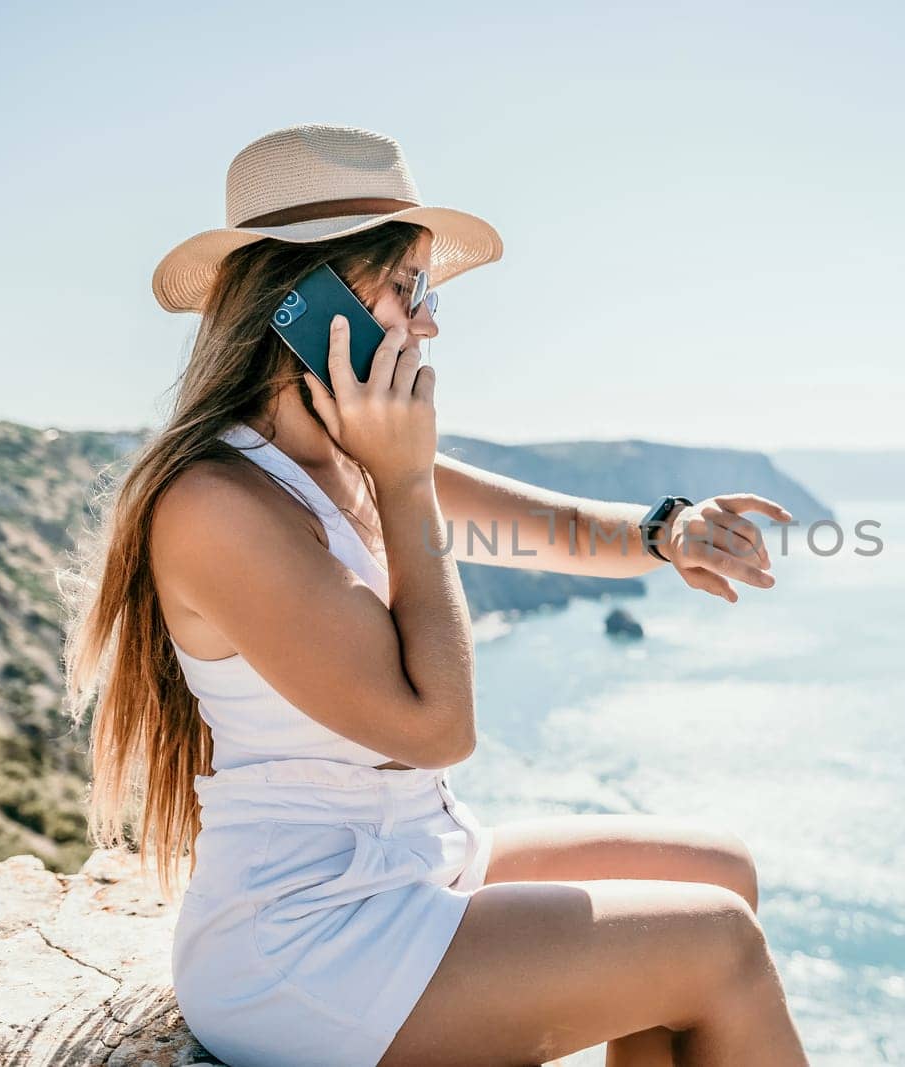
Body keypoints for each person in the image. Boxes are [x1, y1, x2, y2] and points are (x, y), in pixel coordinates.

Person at [60, 123, 807, 1067]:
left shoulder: (342, 451)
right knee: (715, 944)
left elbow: (555, 531)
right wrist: (406, 487)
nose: (431, 319)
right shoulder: (217, 502)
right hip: (306, 940)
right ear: (308, 304)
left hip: (411, 863)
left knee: (717, 869)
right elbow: (437, 727)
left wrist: (670, 531)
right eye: (406, 286)